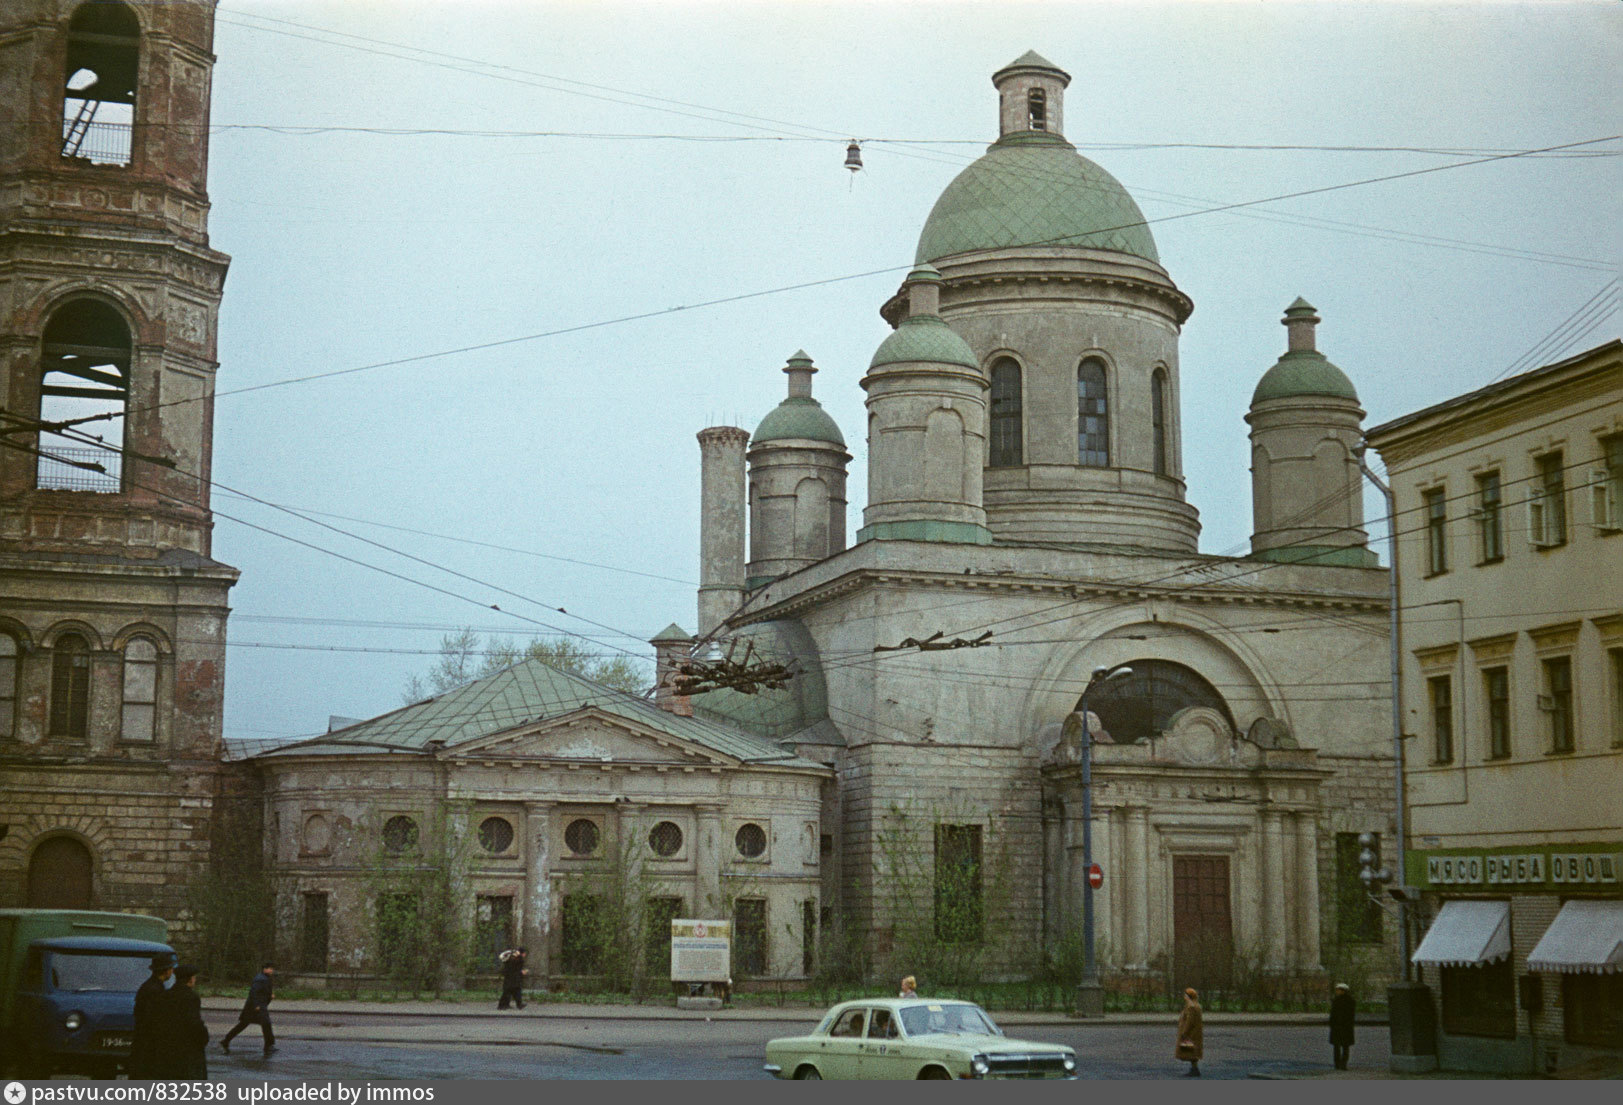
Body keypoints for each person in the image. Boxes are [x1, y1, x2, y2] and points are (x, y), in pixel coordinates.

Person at [156, 964, 210, 1079]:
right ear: (190, 980)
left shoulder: (166, 995)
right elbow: (194, 1022)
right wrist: (203, 1037)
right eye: (194, 977)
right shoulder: (191, 997)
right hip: (188, 1048)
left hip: (169, 1045)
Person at [128, 953, 173, 1078]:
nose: (172, 971)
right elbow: (154, 1019)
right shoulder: (155, 990)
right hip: (149, 1045)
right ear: (165, 971)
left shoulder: (149, 986)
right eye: (170, 968)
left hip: (143, 1043)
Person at [220, 961, 276, 1056]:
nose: (272, 970)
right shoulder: (261, 979)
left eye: (272, 969)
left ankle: (226, 1040)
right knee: (264, 1024)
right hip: (256, 1007)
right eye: (270, 968)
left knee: (248, 1024)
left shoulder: (264, 978)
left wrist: (270, 996)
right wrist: (256, 1005)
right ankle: (269, 1046)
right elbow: (253, 992)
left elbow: (263, 992)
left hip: (256, 1006)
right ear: (264, 969)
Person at [1175, 987, 1203, 1077]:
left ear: (1188, 996)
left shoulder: (1191, 1007)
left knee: (1191, 1053)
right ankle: (1194, 1069)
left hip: (1191, 1034)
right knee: (1192, 1052)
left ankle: (1195, 1070)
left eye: (1185, 995)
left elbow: (1189, 1021)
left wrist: (1184, 1033)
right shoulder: (1196, 1005)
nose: (1184, 997)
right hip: (1194, 1033)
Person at [1329, 982, 1356, 1070]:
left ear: (1343, 991)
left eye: (1338, 990)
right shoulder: (1351, 1001)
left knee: (1337, 1047)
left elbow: (1333, 1014)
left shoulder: (1336, 1001)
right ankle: (1343, 1064)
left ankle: (1338, 1064)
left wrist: (1332, 1023)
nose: (1337, 991)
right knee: (1345, 1046)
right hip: (1346, 1027)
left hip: (1338, 1027)